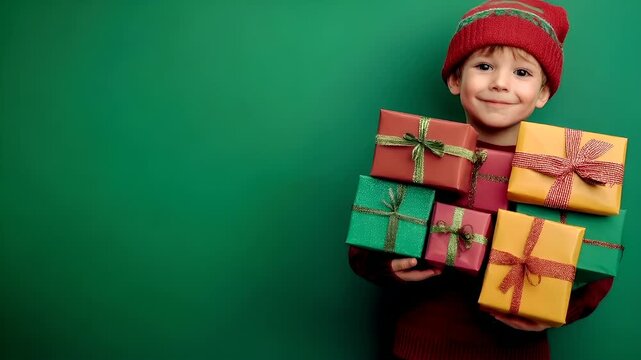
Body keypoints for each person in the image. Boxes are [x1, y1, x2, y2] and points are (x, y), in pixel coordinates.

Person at [348, 1, 614, 359]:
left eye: (522, 73)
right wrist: (388, 266)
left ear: (543, 93)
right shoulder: (419, 149)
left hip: (518, 349)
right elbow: (369, 235)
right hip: (422, 341)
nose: (501, 83)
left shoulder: (567, 168)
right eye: (484, 66)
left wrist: (560, 310)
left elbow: (597, 260)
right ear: (456, 79)